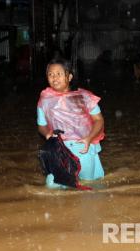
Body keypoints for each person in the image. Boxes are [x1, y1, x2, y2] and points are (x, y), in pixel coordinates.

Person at [37, 58, 105, 189]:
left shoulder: (84, 96)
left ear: (69, 76)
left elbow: (99, 120)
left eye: (59, 74)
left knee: (90, 185)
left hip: (83, 147)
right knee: (52, 186)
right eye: (50, 74)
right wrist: (47, 134)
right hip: (60, 148)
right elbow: (41, 125)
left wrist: (89, 138)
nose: (54, 78)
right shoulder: (44, 99)